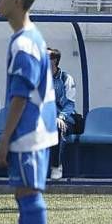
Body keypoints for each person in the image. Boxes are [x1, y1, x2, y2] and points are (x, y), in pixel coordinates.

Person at [0, 0, 57, 224]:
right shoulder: (31, 38)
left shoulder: (25, 42)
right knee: (24, 194)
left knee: (30, 195)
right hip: (33, 130)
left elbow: (20, 94)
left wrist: (5, 138)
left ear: (17, 2)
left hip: (29, 132)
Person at [48, 47, 76, 180]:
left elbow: (70, 103)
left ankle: (56, 166)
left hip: (65, 118)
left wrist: (60, 117)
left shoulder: (65, 78)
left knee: (58, 127)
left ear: (54, 60)